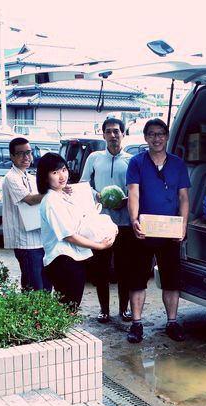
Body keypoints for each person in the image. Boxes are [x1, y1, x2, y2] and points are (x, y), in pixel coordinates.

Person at [126, 118, 190, 343]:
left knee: (172, 279)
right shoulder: (136, 162)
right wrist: (134, 220)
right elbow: (133, 193)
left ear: (167, 136)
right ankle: (136, 324)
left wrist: (183, 224)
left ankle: (172, 322)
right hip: (144, 230)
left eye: (161, 134)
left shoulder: (177, 164)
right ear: (145, 138)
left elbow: (183, 197)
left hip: (169, 231)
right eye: (152, 134)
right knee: (137, 279)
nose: (157, 138)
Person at [37, 153, 115, 310]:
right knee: (68, 307)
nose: (61, 175)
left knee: (70, 306)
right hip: (62, 260)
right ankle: (60, 334)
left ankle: (62, 333)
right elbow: (69, 235)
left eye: (64, 169)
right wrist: (99, 246)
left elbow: (84, 219)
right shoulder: (51, 201)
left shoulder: (62, 195)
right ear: (45, 177)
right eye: (55, 172)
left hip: (72, 258)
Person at [80, 117, 134, 324]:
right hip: (100, 223)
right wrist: (97, 195)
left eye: (117, 131)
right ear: (103, 135)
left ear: (123, 134)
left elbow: (136, 187)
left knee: (124, 269)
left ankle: (124, 309)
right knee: (100, 269)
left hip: (124, 223)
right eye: (109, 131)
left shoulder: (131, 160)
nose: (113, 135)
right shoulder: (94, 158)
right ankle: (104, 310)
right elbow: (84, 183)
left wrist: (128, 199)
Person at [2, 137, 51, 292]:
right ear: (12, 156)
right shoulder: (11, 177)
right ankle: (31, 315)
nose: (26, 157)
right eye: (21, 154)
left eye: (29, 153)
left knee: (46, 285)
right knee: (33, 286)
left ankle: (42, 315)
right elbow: (30, 200)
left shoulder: (29, 176)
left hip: (39, 238)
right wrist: (55, 193)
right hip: (25, 241)